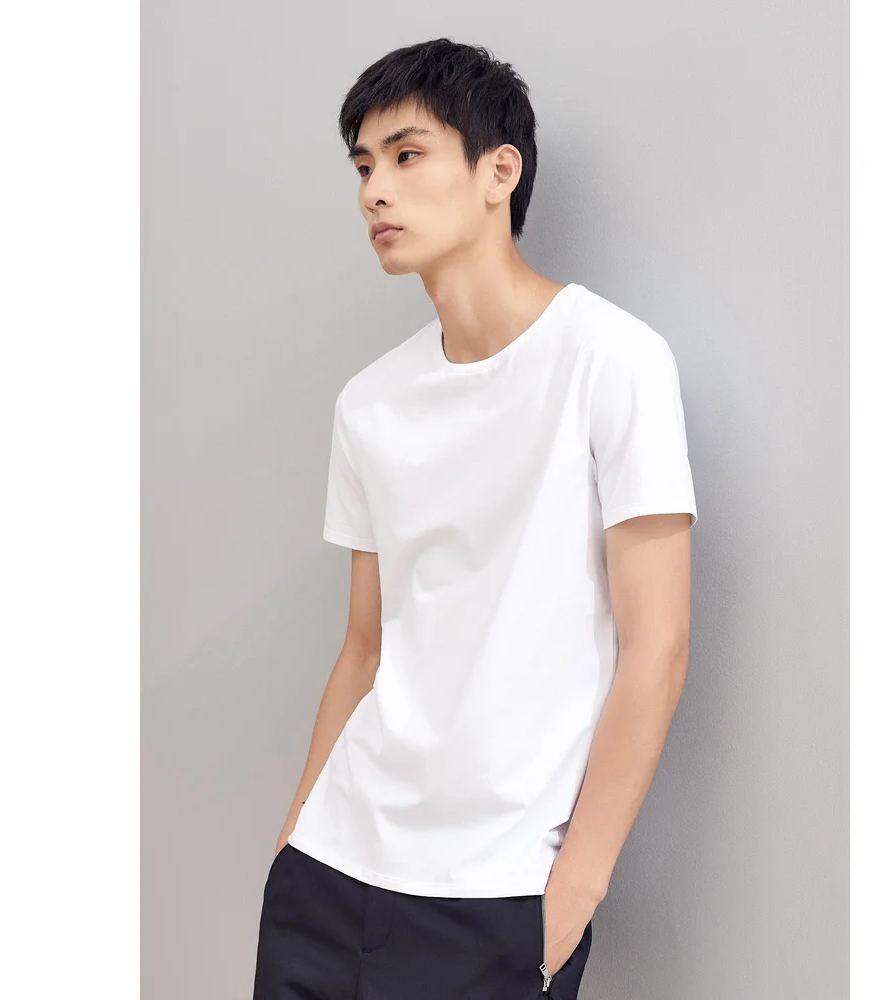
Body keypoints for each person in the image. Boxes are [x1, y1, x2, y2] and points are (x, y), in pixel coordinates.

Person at [252, 36, 698, 1000]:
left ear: (500, 172)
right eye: (363, 167)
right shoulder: (370, 403)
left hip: (497, 894)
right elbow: (364, 647)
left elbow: (657, 647)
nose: (375, 191)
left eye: (407, 155)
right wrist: (295, 836)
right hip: (330, 871)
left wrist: (572, 892)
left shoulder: (612, 360)